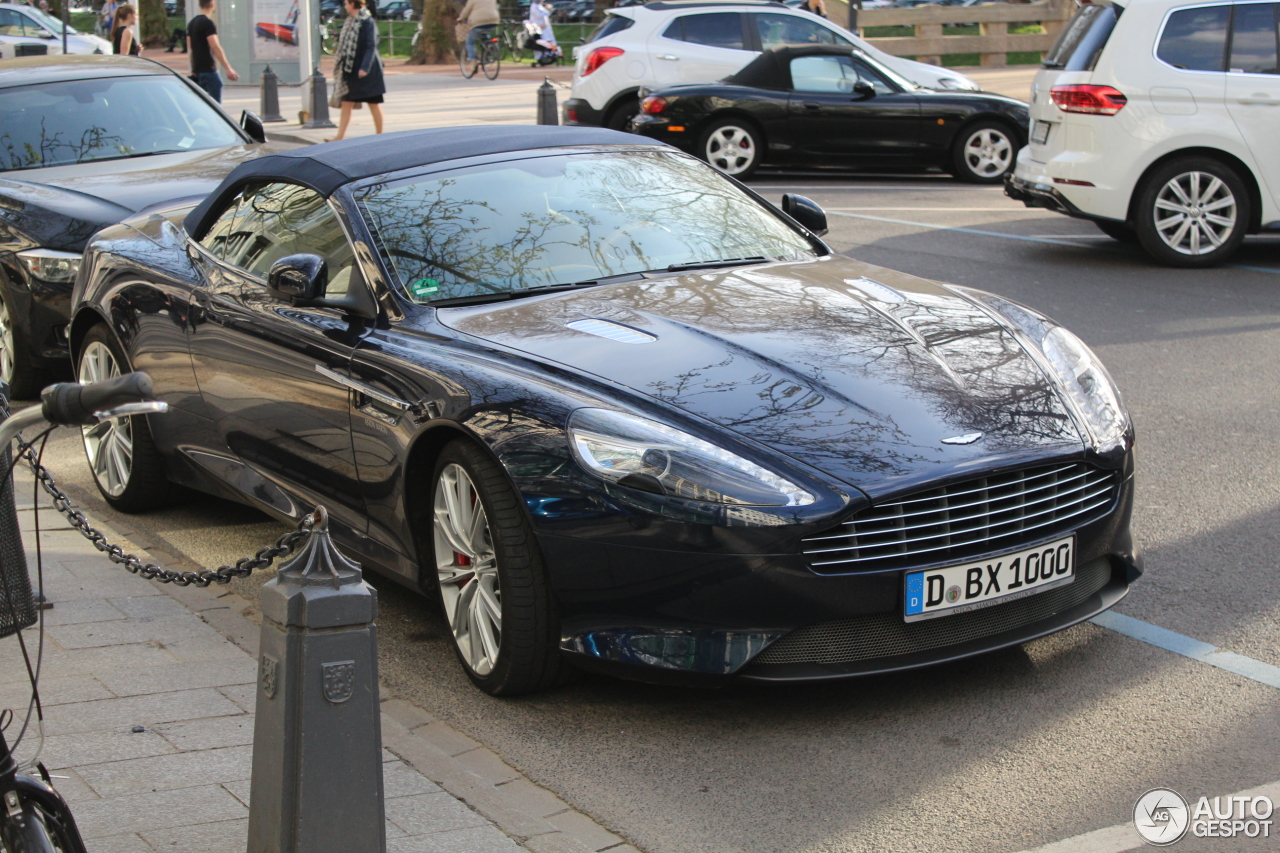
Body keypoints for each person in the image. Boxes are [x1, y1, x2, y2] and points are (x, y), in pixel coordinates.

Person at [328, 0, 385, 141]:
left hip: (367, 70)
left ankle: (380, 135)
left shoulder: (367, 21)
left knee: (373, 104)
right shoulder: (350, 21)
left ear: (353, 3)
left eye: (346, 3)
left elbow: (371, 46)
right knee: (346, 102)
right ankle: (339, 137)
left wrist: (364, 68)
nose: (345, 6)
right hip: (350, 68)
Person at [187, 0, 239, 103]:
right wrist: (228, 68)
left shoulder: (191, 23)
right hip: (209, 70)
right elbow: (215, 46)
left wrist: (193, 68)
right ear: (212, 5)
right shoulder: (208, 23)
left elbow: (191, 48)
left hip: (198, 71)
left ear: (199, 5)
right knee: (216, 106)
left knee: (202, 104)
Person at [457, 0, 498, 70]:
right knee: (486, 32)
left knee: (470, 42)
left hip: (478, 22)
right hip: (493, 20)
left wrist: (460, 18)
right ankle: (488, 53)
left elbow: (466, 10)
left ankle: (473, 61)